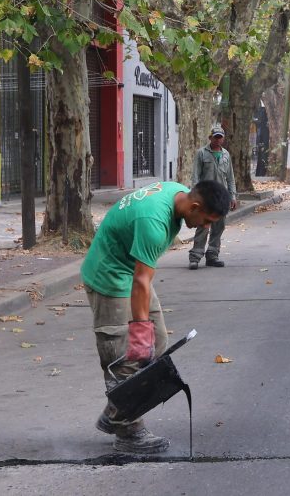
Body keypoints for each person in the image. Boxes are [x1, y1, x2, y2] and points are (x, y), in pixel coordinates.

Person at [82, 179, 231, 453]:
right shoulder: (154, 222)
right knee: (126, 355)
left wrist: (145, 335)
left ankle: (115, 410)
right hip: (110, 277)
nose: (206, 227)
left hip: (133, 273)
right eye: (206, 220)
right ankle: (128, 432)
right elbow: (140, 280)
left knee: (157, 348)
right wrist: (139, 331)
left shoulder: (177, 194)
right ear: (195, 206)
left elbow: (141, 277)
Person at [189, 126, 238, 270]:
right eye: (215, 137)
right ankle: (195, 257)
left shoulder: (226, 155)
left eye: (220, 137)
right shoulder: (201, 153)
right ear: (210, 137)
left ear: (223, 138)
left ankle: (212, 255)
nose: (218, 140)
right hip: (205, 196)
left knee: (218, 226)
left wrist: (233, 196)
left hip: (221, 197)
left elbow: (230, 178)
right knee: (203, 226)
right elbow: (195, 176)